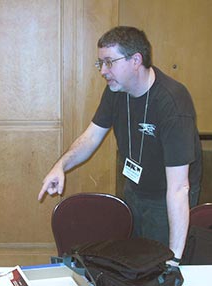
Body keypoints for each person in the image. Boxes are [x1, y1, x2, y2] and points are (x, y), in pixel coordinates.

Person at [38, 26, 202, 265]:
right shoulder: (116, 90)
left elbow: (179, 189)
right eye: (100, 63)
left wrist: (174, 259)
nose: (103, 71)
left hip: (166, 197)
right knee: (132, 260)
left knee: (158, 264)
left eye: (109, 62)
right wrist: (60, 165)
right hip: (134, 188)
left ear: (136, 60)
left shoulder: (172, 103)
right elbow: (91, 137)